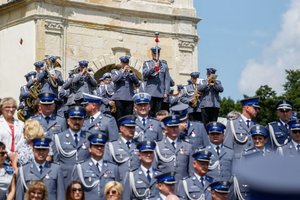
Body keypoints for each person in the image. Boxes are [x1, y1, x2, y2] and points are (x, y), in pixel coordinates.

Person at [52, 106, 90, 187]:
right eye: (74, 119)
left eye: (79, 119)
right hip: (65, 180)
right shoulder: (58, 138)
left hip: (84, 180)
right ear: (68, 121)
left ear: (83, 121)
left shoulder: (89, 137)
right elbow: (55, 163)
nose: (77, 121)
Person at [73, 133, 119, 200]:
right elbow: (75, 191)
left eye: (101, 146)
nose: (99, 148)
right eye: (96, 146)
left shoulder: (113, 167)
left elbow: (118, 191)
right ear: (90, 149)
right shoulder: (81, 168)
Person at [155, 115, 193, 181]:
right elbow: (154, 169)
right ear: (166, 129)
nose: (174, 129)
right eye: (171, 127)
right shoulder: (158, 146)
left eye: (176, 126)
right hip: (165, 184)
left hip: (182, 185)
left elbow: (191, 170)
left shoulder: (188, 146)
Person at [103, 115, 139, 182]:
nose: (132, 130)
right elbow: (108, 167)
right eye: (128, 127)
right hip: (119, 182)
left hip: (136, 184)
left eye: (133, 127)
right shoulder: (111, 146)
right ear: (121, 128)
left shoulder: (138, 145)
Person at [142, 46, 171, 117]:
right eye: (154, 54)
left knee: (158, 113)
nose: (156, 55)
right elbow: (144, 75)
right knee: (149, 112)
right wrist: (153, 69)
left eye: (157, 54)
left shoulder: (164, 66)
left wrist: (166, 92)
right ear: (152, 54)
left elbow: (167, 79)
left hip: (160, 93)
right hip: (150, 92)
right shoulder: (147, 64)